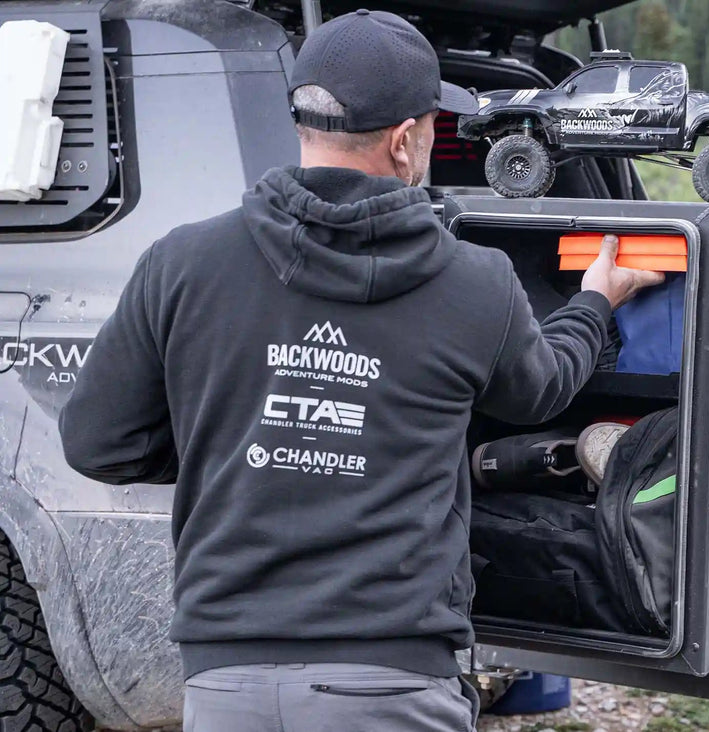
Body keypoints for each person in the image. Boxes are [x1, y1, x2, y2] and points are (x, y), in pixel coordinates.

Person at [58, 9, 663, 732]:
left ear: (303, 121)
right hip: (393, 684)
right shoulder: (472, 282)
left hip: (227, 681)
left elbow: (98, 442)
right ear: (409, 139)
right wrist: (596, 300)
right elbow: (541, 391)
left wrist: (242, 445)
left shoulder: (182, 263)